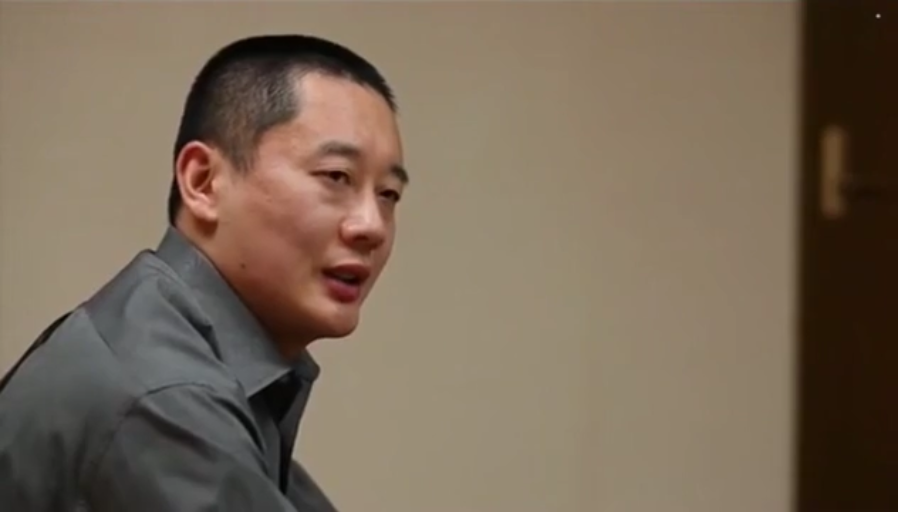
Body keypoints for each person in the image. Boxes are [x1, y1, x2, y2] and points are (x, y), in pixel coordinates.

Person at [0, 33, 407, 511]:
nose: (372, 226)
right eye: (336, 176)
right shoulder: (163, 397)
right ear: (203, 182)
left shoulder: (185, 359)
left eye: (389, 194)